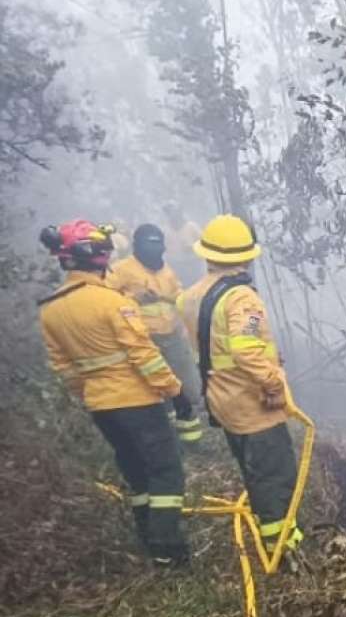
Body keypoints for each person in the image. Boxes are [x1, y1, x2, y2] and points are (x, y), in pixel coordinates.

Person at [37, 219, 190, 565]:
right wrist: (175, 391)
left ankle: (149, 539)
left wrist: (92, 392)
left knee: (135, 471)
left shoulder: (51, 310)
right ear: (97, 256)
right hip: (137, 401)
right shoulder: (111, 302)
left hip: (101, 406)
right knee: (166, 470)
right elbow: (143, 354)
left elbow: (64, 368)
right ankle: (168, 549)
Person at [177, 214, 303, 552]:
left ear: (207, 255)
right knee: (274, 473)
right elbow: (246, 351)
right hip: (252, 402)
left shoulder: (190, 296)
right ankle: (282, 547)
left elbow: (212, 347)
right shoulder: (242, 299)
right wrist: (273, 383)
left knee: (254, 469)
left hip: (221, 397)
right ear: (246, 256)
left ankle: (271, 529)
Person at [106, 224, 204, 444]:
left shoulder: (166, 271)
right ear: (137, 246)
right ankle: (169, 438)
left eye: (158, 244)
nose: (155, 250)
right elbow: (106, 301)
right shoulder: (121, 270)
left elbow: (178, 296)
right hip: (145, 340)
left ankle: (191, 438)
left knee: (189, 387)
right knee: (160, 391)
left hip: (174, 336)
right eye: (149, 244)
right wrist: (135, 299)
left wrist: (185, 302)